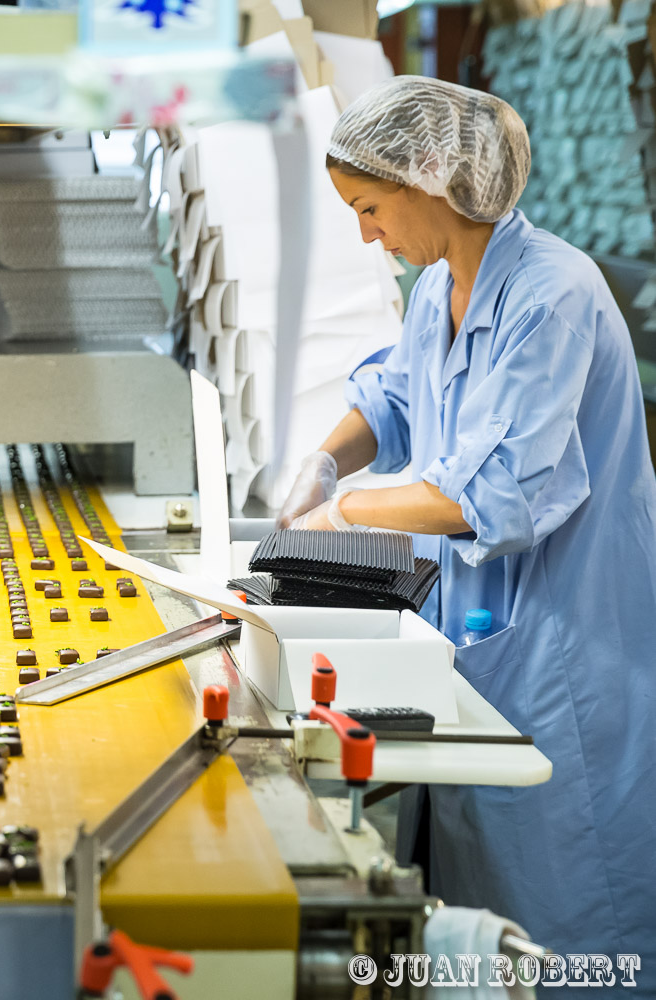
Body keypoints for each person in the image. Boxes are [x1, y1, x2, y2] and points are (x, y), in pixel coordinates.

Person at [277, 76, 656, 970]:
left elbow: (495, 496)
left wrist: (345, 514)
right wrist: (326, 459)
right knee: (488, 907)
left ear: (429, 181)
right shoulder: (440, 286)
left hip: (572, 658)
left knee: (573, 906)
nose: (368, 233)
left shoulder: (553, 294)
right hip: (488, 643)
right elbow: (395, 396)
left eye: (371, 208)